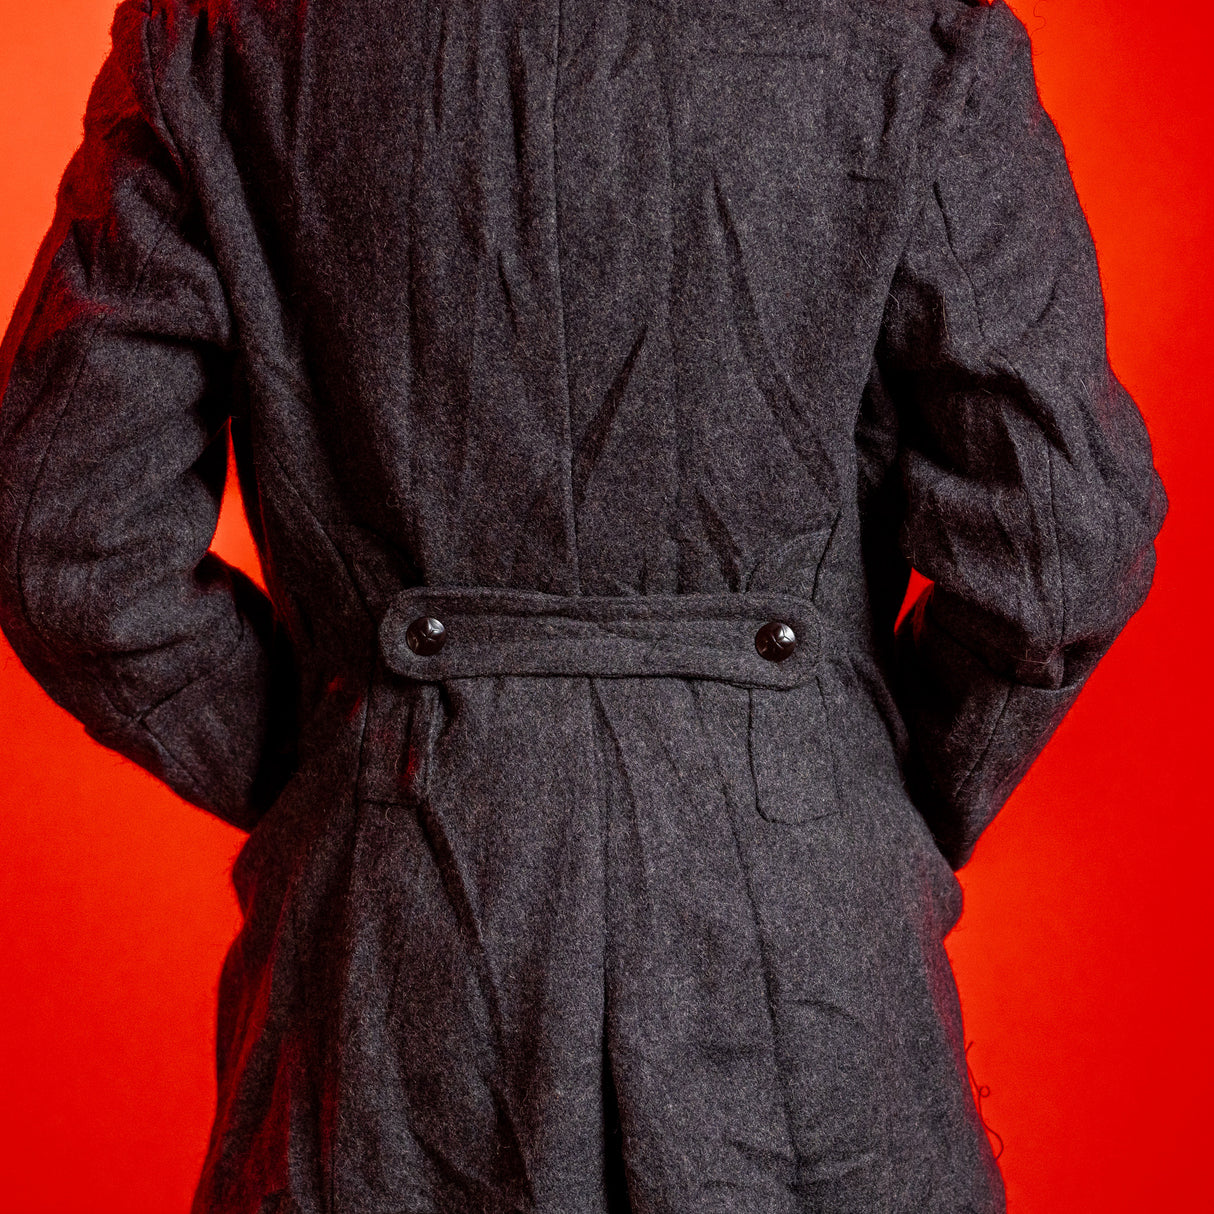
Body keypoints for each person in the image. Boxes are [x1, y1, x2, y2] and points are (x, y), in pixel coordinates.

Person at [0, 0, 1166, 1209]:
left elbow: (60, 539)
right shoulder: (910, 33)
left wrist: (356, 755)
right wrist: (842, 780)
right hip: (814, 964)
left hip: (390, 953)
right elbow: (1057, 543)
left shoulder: (216, 34)